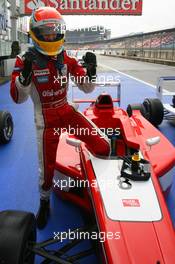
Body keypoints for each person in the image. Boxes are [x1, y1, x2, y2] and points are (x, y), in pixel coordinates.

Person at [10, 6, 110, 229]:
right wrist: (24, 78)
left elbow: (86, 88)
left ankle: (95, 185)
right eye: (45, 32)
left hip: (67, 110)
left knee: (103, 145)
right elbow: (17, 99)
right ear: (35, 33)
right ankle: (44, 203)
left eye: (55, 31)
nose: (51, 36)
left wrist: (92, 70)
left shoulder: (66, 57)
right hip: (45, 119)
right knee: (47, 171)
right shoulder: (24, 60)